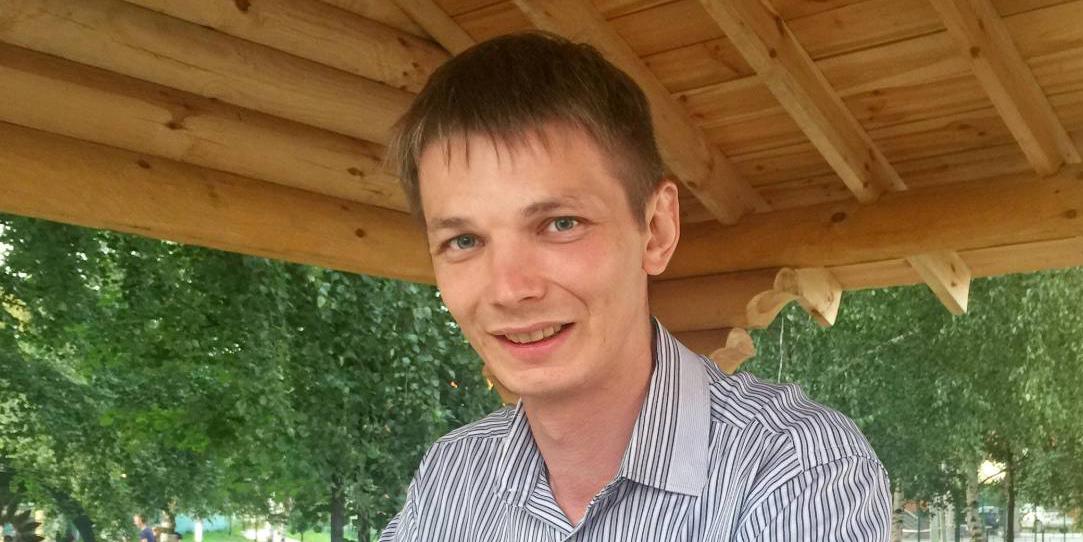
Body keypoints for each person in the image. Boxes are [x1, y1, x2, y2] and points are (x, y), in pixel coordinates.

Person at [380, 32, 891, 541]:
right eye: (464, 240)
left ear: (656, 230)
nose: (509, 289)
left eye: (561, 224)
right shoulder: (450, 480)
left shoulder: (796, 468)